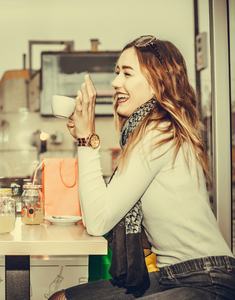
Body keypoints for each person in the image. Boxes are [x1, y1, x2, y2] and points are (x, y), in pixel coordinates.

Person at [49, 35, 235, 300]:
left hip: (208, 278)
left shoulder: (158, 131)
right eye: (117, 73)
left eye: (126, 73)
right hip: (173, 275)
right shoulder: (148, 131)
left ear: (158, 80)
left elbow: (98, 219)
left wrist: (86, 140)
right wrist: (86, 139)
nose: (115, 83)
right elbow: (105, 211)